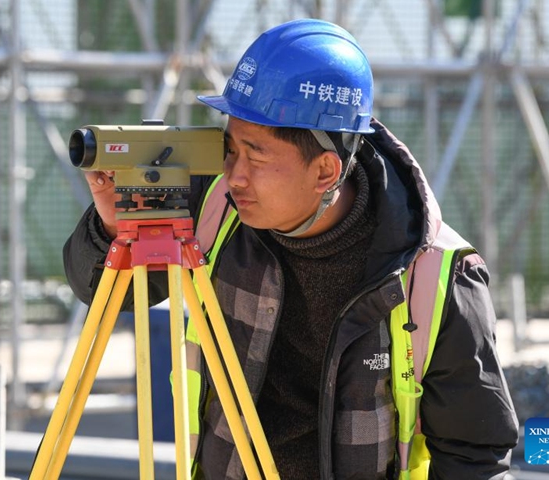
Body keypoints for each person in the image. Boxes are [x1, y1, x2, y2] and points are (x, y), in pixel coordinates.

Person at [63, 18, 518, 479]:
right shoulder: (214, 205)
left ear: (324, 170)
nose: (234, 174)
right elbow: (104, 290)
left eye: (256, 154)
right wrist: (112, 226)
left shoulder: (435, 270)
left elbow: (474, 453)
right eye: (230, 148)